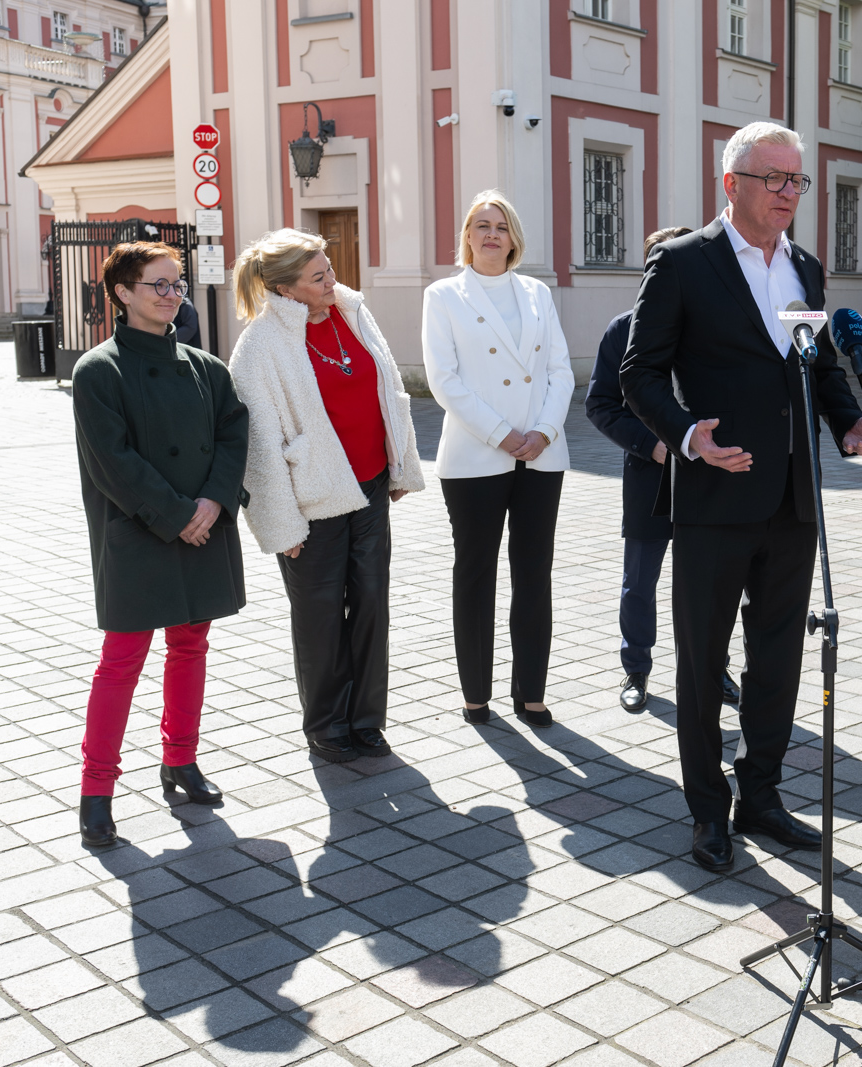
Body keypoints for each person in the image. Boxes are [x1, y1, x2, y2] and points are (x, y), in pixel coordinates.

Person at [621, 121, 862, 871]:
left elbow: (817, 364)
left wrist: (847, 421)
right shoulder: (682, 263)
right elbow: (638, 372)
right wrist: (687, 435)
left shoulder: (805, 265)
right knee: (704, 664)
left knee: (777, 658)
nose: (788, 193)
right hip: (712, 491)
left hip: (793, 491)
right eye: (774, 178)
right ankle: (708, 810)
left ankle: (761, 795)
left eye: (797, 180)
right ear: (731, 183)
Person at [70, 242, 248, 847]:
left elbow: (233, 434)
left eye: (177, 285)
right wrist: (176, 515)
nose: (172, 295)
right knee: (121, 662)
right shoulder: (99, 370)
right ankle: (97, 791)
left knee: (191, 645)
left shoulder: (207, 367)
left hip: (202, 525)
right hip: (139, 530)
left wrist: (214, 502)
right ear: (122, 293)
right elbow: (111, 463)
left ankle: (181, 760)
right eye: (158, 285)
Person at [228, 229, 425, 764]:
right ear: (286, 289)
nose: (332, 280)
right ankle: (326, 722)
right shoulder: (260, 344)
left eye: (330, 268)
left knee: (370, 608)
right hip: (310, 501)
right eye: (319, 276)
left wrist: (401, 462)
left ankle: (366, 720)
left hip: (370, 486)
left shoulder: (354, 311)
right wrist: (280, 524)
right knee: (318, 616)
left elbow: (390, 389)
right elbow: (258, 447)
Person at [423, 191, 573, 729]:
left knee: (534, 574)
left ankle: (530, 690)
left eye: (501, 227)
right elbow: (444, 380)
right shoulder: (444, 295)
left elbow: (561, 370)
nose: (491, 235)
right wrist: (503, 434)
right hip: (474, 458)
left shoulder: (535, 292)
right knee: (476, 573)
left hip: (541, 453)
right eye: (482, 225)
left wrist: (544, 431)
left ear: (514, 238)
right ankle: (475, 694)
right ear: (466, 236)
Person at [584, 225, 743, 713]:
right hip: (651, 474)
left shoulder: (717, 326)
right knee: (641, 581)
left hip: (709, 474)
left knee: (711, 581)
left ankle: (712, 668)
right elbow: (600, 405)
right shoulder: (623, 331)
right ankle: (636, 669)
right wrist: (652, 445)